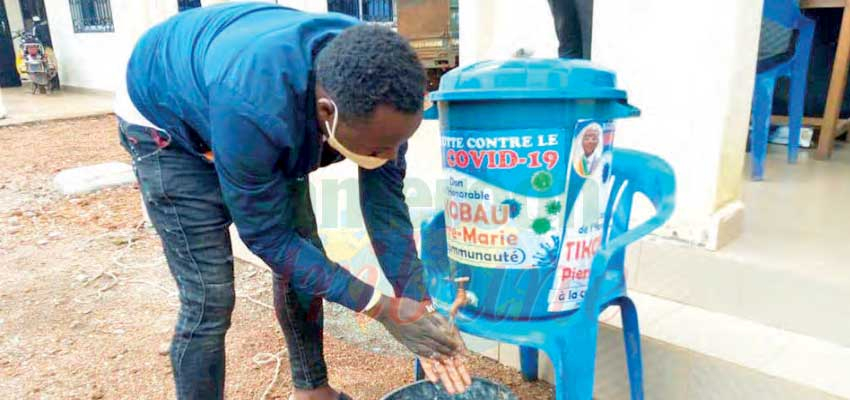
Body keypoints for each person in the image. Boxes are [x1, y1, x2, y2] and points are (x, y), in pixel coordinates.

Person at [113, 3, 470, 399]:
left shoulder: (379, 88)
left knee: (306, 257)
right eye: (380, 147)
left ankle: (312, 391)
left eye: (398, 144)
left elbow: (385, 209)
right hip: (165, 117)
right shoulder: (257, 110)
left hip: (244, 96)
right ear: (326, 113)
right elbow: (267, 236)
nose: (388, 156)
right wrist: (380, 308)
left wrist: (414, 302)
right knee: (210, 299)